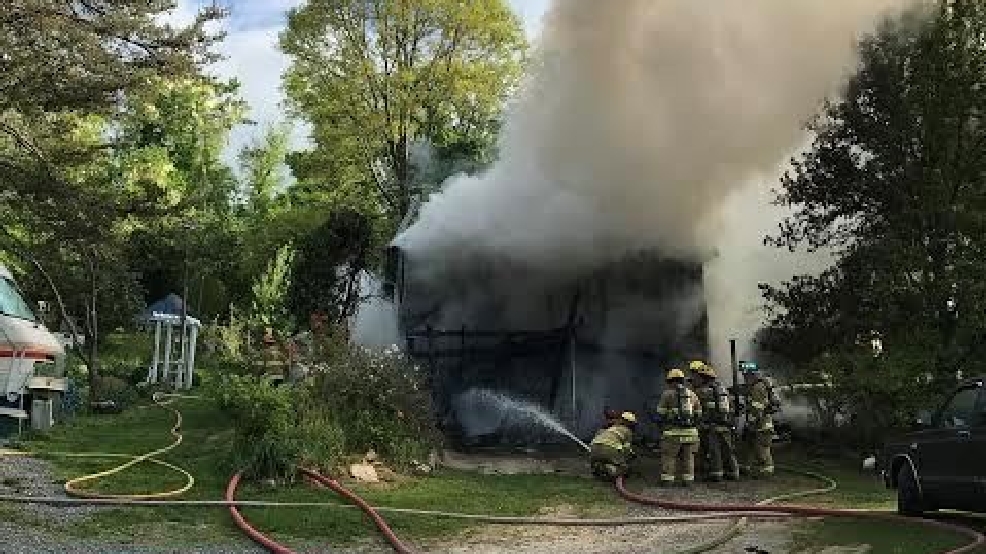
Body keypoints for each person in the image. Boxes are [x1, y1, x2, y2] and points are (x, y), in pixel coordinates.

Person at [655, 368, 702, 487]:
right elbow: (699, 415)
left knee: (669, 457)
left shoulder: (667, 394)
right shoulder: (692, 394)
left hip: (672, 434)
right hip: (691, 434)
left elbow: (660, 414)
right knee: (688, 458)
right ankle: (688, 481)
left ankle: (667, 481)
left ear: (670, 381)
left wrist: (661, 425)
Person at [694, 362, 740, 481]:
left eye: (698, 377)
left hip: (713, 426)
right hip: (726, 424)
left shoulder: (701, 391)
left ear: (704, 378)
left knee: (715, 451)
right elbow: (731, 407)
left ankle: (716, 474)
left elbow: (698, 408)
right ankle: (733, 472)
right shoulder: (723, 390)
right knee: (728, 450)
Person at [742, 363, 776, 478]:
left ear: (752, 375)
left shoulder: (757, 388)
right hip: (763, 423)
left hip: (761, 424)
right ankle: (749, 467)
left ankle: (767, 470)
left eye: (746, 375)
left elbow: (757, 409)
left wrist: (751, 422)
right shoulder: (761, 386)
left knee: (762, 448)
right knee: (752, 445)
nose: (745, 378)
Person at [589, 411, 637, 479]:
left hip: (593, 448)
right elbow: (626, 448)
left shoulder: (611, 427)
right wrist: (629, 456)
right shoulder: (628, 431)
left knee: (605, 459)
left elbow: (598, 434)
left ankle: (597, 466)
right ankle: (610, 469)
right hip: (610, 449)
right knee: (625, 469)